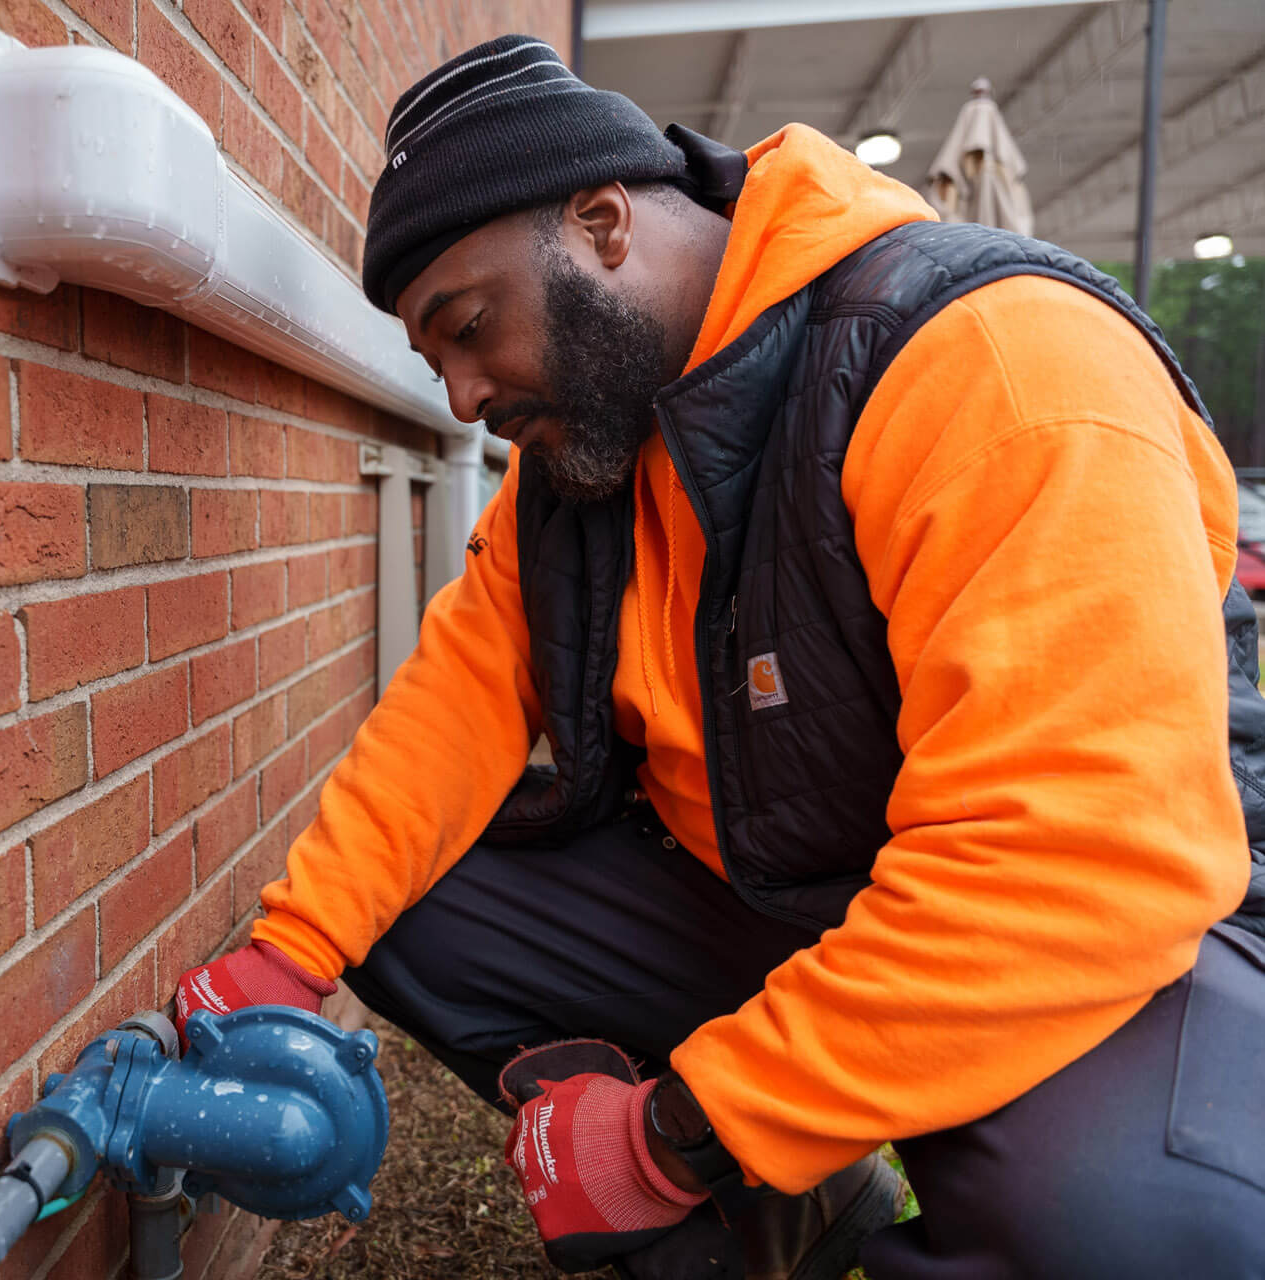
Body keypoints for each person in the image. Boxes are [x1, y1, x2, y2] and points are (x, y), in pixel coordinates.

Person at [175, 34, 1265, 1279]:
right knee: (412, 901)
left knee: (1143, 1232)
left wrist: (674, 1133)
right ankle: (782, 1218)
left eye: (469, 328)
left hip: (1080, 941)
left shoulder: (991, 366)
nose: (463, 399)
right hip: (784, 902)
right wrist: (285, 950)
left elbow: (1073, 862)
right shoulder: (582, 459)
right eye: (438, 365)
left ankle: (766, 1148)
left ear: (600, 223)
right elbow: (452, 701)